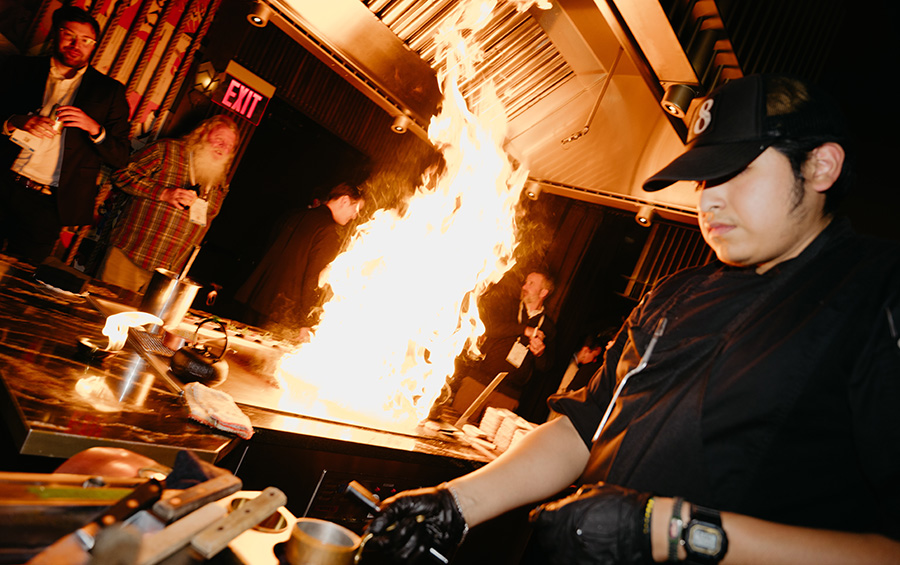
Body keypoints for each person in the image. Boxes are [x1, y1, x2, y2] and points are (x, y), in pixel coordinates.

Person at [366, 74, 900, 564]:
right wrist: (456, 505)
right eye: (701, 178)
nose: (709, 200)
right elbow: (581, 427)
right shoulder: (677, 293)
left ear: (821, 166)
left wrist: (669, 531)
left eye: (734, 171)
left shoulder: (878, 294)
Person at [0, 6, 130, 263]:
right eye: (69, 34)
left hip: (47, 203)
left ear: (94, 46)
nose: (76, 44)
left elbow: (121, 157)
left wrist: (95, 129)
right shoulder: (19, 68)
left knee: (20, 280)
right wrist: (14, 121)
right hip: (3, 179)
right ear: (56, 35)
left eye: (85, 40)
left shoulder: (108, 91)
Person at [99, 115, 240, 292]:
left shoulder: (220, 180)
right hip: (131, 256)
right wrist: (164, 193)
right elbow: (121, 174)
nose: (222, 147)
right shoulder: (166, 150)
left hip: (167, 273)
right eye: (219, 139)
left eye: (229, 146)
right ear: (203, 134)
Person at [234, 183, 364, 341]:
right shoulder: (328, 230)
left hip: (254, 300)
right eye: (356, 209)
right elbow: (314, 279)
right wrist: (306, 322)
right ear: (344, 200)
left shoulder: (294, 215)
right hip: (281, 316)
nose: (355, 216)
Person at [429, 269, 557, 419]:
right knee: (453, 427)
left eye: (531, 283)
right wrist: (524, 329)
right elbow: (490, 328)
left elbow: (546, 366)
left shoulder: (548, 326)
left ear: (543, 293)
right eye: (525, 282)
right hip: (477, 382)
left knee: (482, 439)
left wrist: (540, 354)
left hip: (508, 395)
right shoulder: (508, 305)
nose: (524, 286)